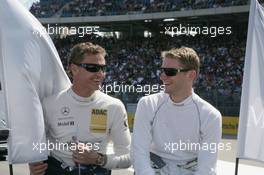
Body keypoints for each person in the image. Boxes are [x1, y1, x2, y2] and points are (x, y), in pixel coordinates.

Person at [29, 42, 131, 175]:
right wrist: (34, 164)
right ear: (74, 69)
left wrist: (98, 159)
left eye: (103, 68)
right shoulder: (49, 104)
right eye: (93, 68)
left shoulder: (114, 106)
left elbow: (128, 157)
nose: (100, 74)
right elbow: (36, 146)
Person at [132, 47, 222, 175]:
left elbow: (206, 166)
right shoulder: (147, 104)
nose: (162, 76)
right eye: (162, 70)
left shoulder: (210, 115)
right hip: (154, 169)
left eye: (170, 71)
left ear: (191, 75)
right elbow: (139, 150)